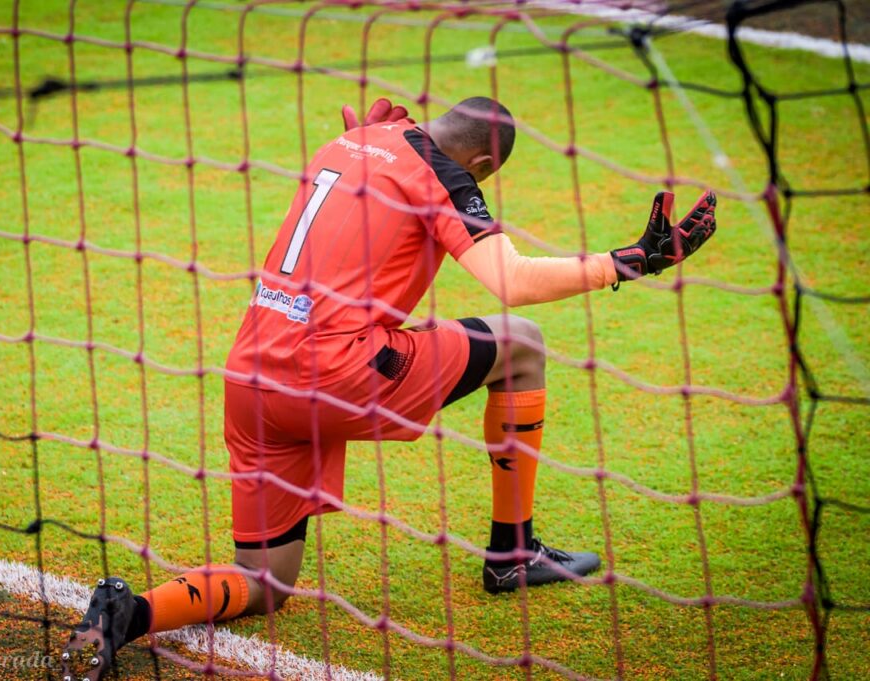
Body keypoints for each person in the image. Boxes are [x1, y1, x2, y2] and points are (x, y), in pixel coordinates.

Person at [61, 96, 716, 680]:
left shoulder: (352, 141)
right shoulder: (446, 173)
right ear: (485, 165)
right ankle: (512, 551)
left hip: (252, 377)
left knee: (266, 583)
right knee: (523, 345)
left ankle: (131, 610)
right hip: (336, 372)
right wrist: (628, 262)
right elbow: (510, 279)